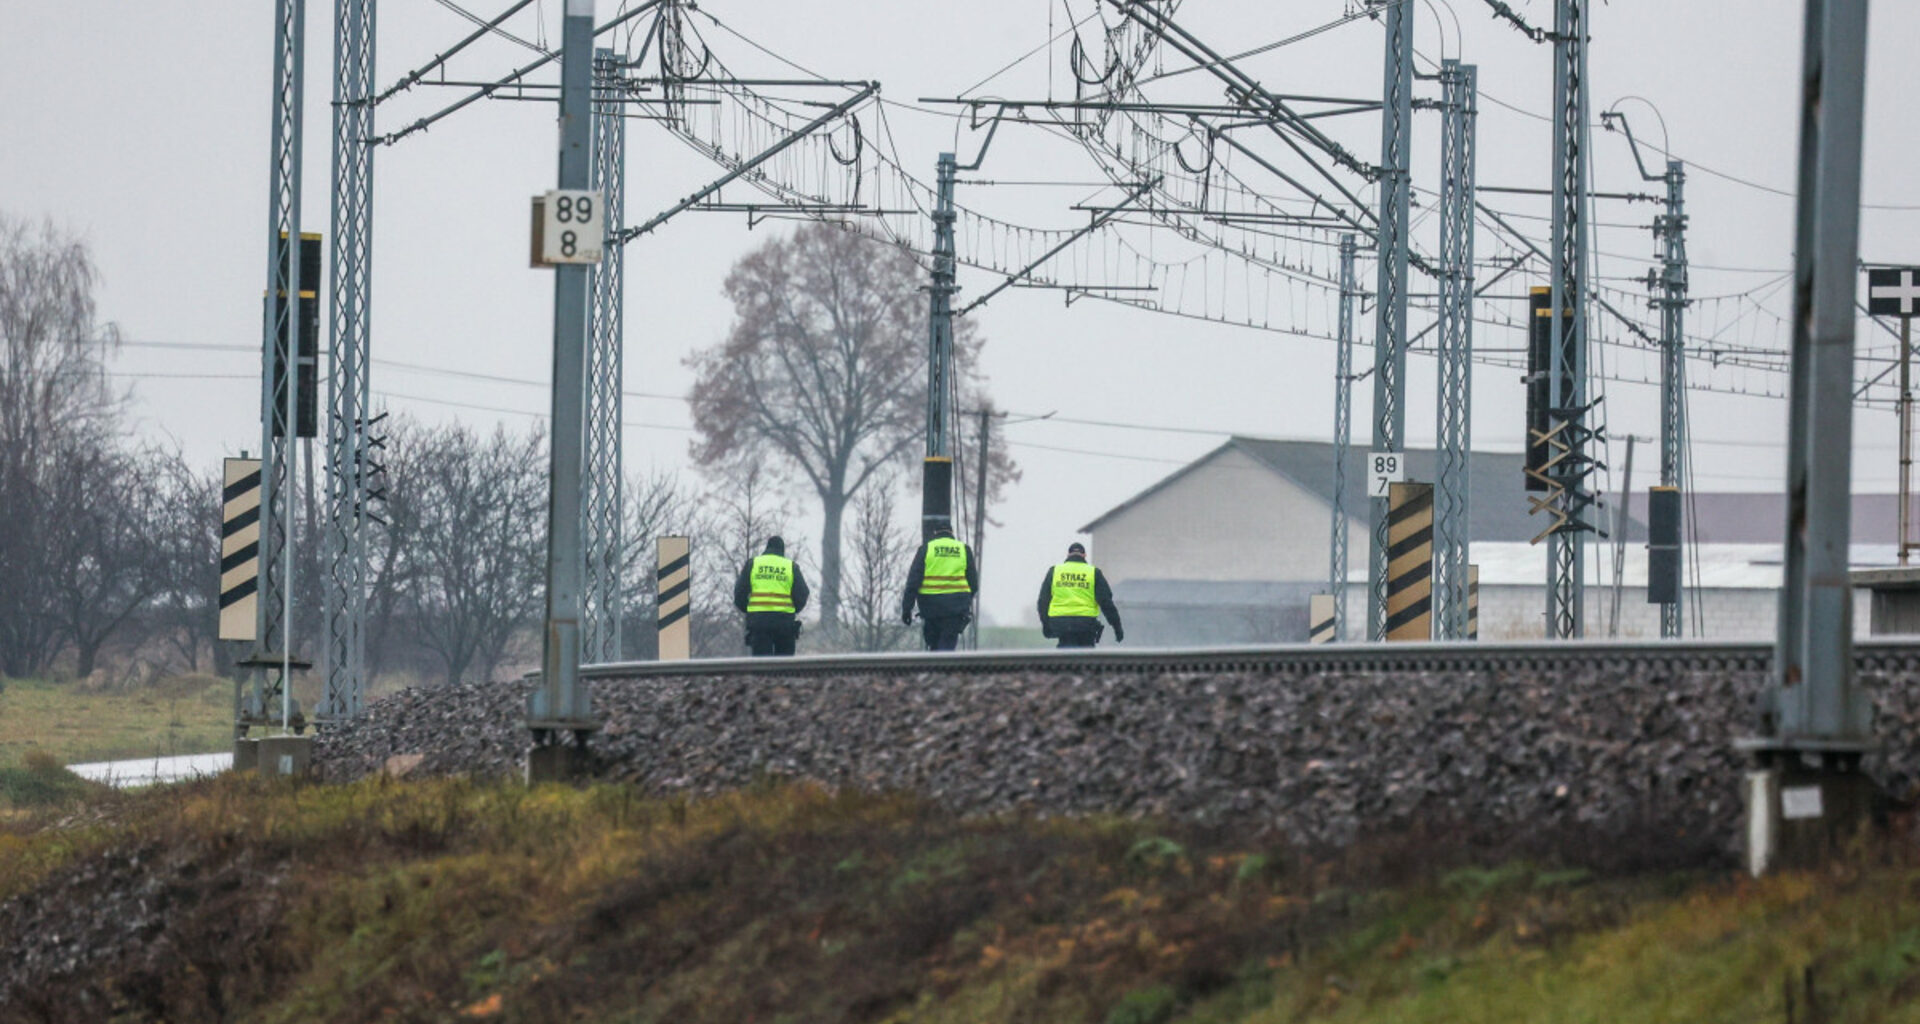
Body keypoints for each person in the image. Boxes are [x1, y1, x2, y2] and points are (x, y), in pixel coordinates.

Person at [901, 522, 978, 651]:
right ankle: (943, 668)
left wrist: (907, 609)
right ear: (951, 532)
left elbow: (913, 582)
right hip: (955, 610)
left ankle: (934, 669)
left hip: (931, 609)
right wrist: (964, 603)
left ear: (935, 533)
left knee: (934, 646)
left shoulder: (926, 549)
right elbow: (973, 584)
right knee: (947, 646)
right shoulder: (963, 549)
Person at [1036, 541, 1124, 648]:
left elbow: (1043, 601)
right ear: (1084, 555)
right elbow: (1106, 603)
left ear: (1068, 555)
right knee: (1086, 658)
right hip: (1086, 624)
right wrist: (1117, 627)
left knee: (1064, 655)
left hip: (1061, 624)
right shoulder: (1093, 573)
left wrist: (1046, 625)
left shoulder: (1054, 571)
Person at [733, 535, 810, 656]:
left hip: (759, 622)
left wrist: (749, 610)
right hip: (785, 623)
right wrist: (792, 610)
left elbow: (739, 594)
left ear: (767, 548)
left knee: (762, 666)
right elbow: (802, 593)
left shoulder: (753, 564)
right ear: (782, 551)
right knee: (784, 668)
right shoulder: (790, 566)